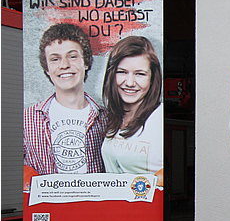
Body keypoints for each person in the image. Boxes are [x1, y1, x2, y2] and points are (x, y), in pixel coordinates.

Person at [23, 23, 106, 176]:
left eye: (72, 56)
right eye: (55, 59)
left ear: (86, 62)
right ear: (47, 69)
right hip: (46, 200)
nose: (64, 65)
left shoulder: (107, 118)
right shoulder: (26, 119)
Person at [100, 36, 164, 185]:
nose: (129, 83)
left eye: (140, 74)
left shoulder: (159, 119)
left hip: (147, 205)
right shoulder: (111, 117)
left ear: (152, 78)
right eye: (122, 72)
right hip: (115, 205)